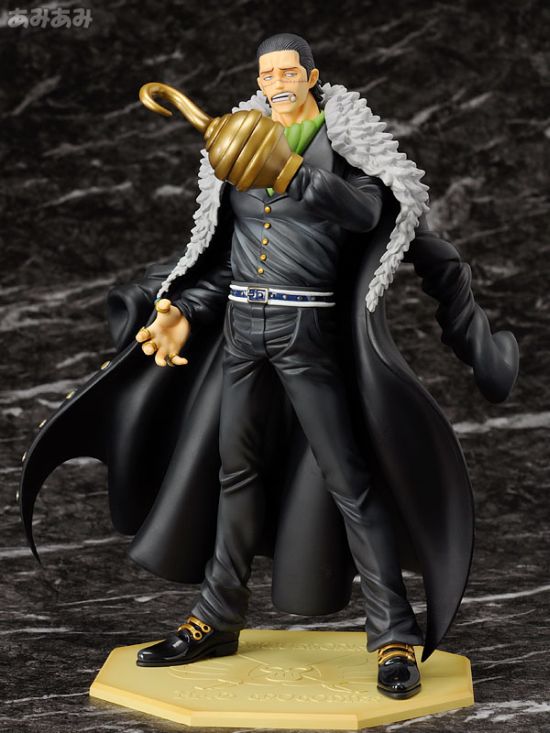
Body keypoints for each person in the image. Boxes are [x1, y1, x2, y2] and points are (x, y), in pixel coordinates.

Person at [19, 33, 519, 701]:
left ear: (312, 76)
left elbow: (368, 211)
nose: (277, 81)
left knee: (347, 478)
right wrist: (184, 310)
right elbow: (227, 257)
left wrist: (289, 169)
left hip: (307, 331)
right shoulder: (238, 143)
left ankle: (393, 635)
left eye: (288, 71)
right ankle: (217, 616)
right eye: (267, 73)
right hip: (241, 330)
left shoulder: (348, 145)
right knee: (235, 474)